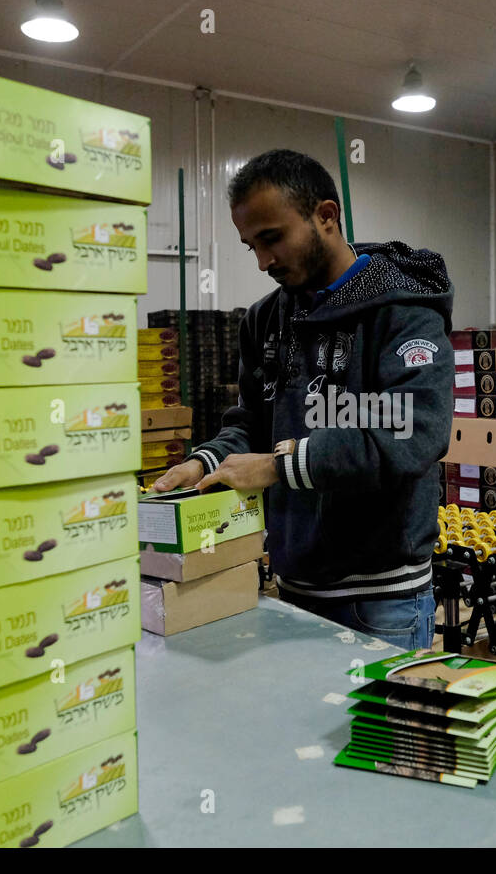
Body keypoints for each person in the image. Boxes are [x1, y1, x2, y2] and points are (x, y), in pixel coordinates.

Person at [150, 149, 453, 650]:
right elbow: (251, 422)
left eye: (273, 238)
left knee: (381, 731)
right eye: (252, 246)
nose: (264, 261)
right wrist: (206, 461)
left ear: (326, 216)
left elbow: (413, 431)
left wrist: (278, 466)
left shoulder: (402, 313)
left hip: (381, 602)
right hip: (290, 586)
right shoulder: (264, 321)